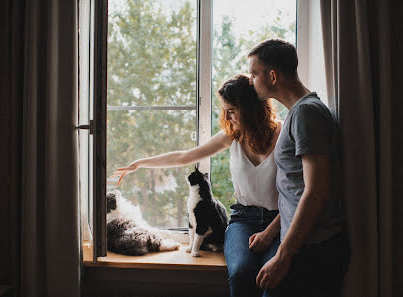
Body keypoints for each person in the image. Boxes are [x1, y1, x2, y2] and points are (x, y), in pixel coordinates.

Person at [111, 74, 282, 297]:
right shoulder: (232, 136)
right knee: (241, 272)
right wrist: (140, 164)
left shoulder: (284, 133)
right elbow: (184, 156)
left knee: (273, 279)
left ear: (250, 108)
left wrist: (270, 232)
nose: (227, 117)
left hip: (280, 220)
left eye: (232, 110)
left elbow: (298, 193)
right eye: (225, 111)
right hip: (244, 220)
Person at [247, 39, 350, 297]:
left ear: (272, 76)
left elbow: (315, 191)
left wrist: (283, 257)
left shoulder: (306, 114)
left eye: (254, 73)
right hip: (303, 246)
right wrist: (271, 233)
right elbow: (297, 188)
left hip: (314, 251)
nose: (251, 80)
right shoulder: (298, 113)